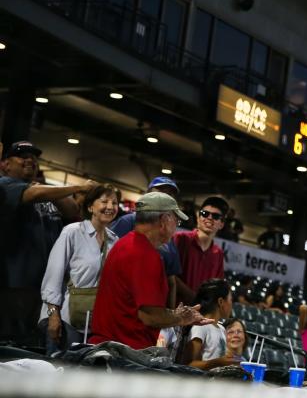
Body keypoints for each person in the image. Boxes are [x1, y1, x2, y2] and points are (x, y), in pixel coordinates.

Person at [0, 140, 94, 345]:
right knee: (9, 344)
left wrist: (49, 189)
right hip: (14, 286)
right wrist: (79, 186)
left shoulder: (41, 191)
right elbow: (34, 194)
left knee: (33, 346)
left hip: (43, 289)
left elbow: (72, 211)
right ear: (5, 164)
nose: (30, 160)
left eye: (33, 158)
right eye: (22, 156)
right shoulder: (5, 185)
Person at [89, 192, 211, 349]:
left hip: (109, 347)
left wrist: (175, 314)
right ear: (164, 220)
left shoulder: (125, 244)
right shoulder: (145, 255)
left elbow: (137, 307)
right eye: (176, 220)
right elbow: (149, 316)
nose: (176, 227)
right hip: (123, 354)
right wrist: (181, 318)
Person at [38, 184, 121, 354]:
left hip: (94, 323)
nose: (110, 207)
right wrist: (53, 315)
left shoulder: (115, 241)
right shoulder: (72, 232)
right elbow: (54, 275)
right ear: (90, 206)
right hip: (65, 319)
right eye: (104, 201)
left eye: (114, 203)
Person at [112, 176, 184, 309]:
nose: (165, 195)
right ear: (148, 193)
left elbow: (171, 281)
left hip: (152, 309)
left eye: (170, 193)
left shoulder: (168, 236)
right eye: (160, 190)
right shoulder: (128, 222)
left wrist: (171, 315)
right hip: (124, 305)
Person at [173, 195, 229, 302]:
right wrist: (193, 297)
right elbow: (168, 274)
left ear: (221, 224)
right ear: (198, 217)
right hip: (174, 310)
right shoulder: (180, 239)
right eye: (205, 213)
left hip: (199, 314)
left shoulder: (218, 253)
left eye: (216, 216)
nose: (209, 218)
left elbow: (215, 287)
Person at [185, 279, 241, 370]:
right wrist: (217, 362)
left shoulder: (222, 328)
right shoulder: (200, 327)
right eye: (231, 300)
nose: (232, 304)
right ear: (221, 302)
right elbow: (188, 364)